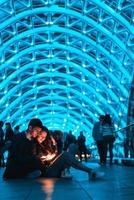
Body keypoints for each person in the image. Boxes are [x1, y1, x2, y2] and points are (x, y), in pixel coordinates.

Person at [35, 127, 105, 180]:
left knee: (70, 149)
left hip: (51, 166)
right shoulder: (34, 144)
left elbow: (55, 153)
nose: (42, 139)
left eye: (44, 137)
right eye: (41, 136)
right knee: (65, 155)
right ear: (37, 134)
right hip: (47, 171)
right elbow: (34, 160)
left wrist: (53, 150)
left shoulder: (47, 143)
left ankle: (65, 170)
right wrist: (43, 158)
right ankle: (90, 171)